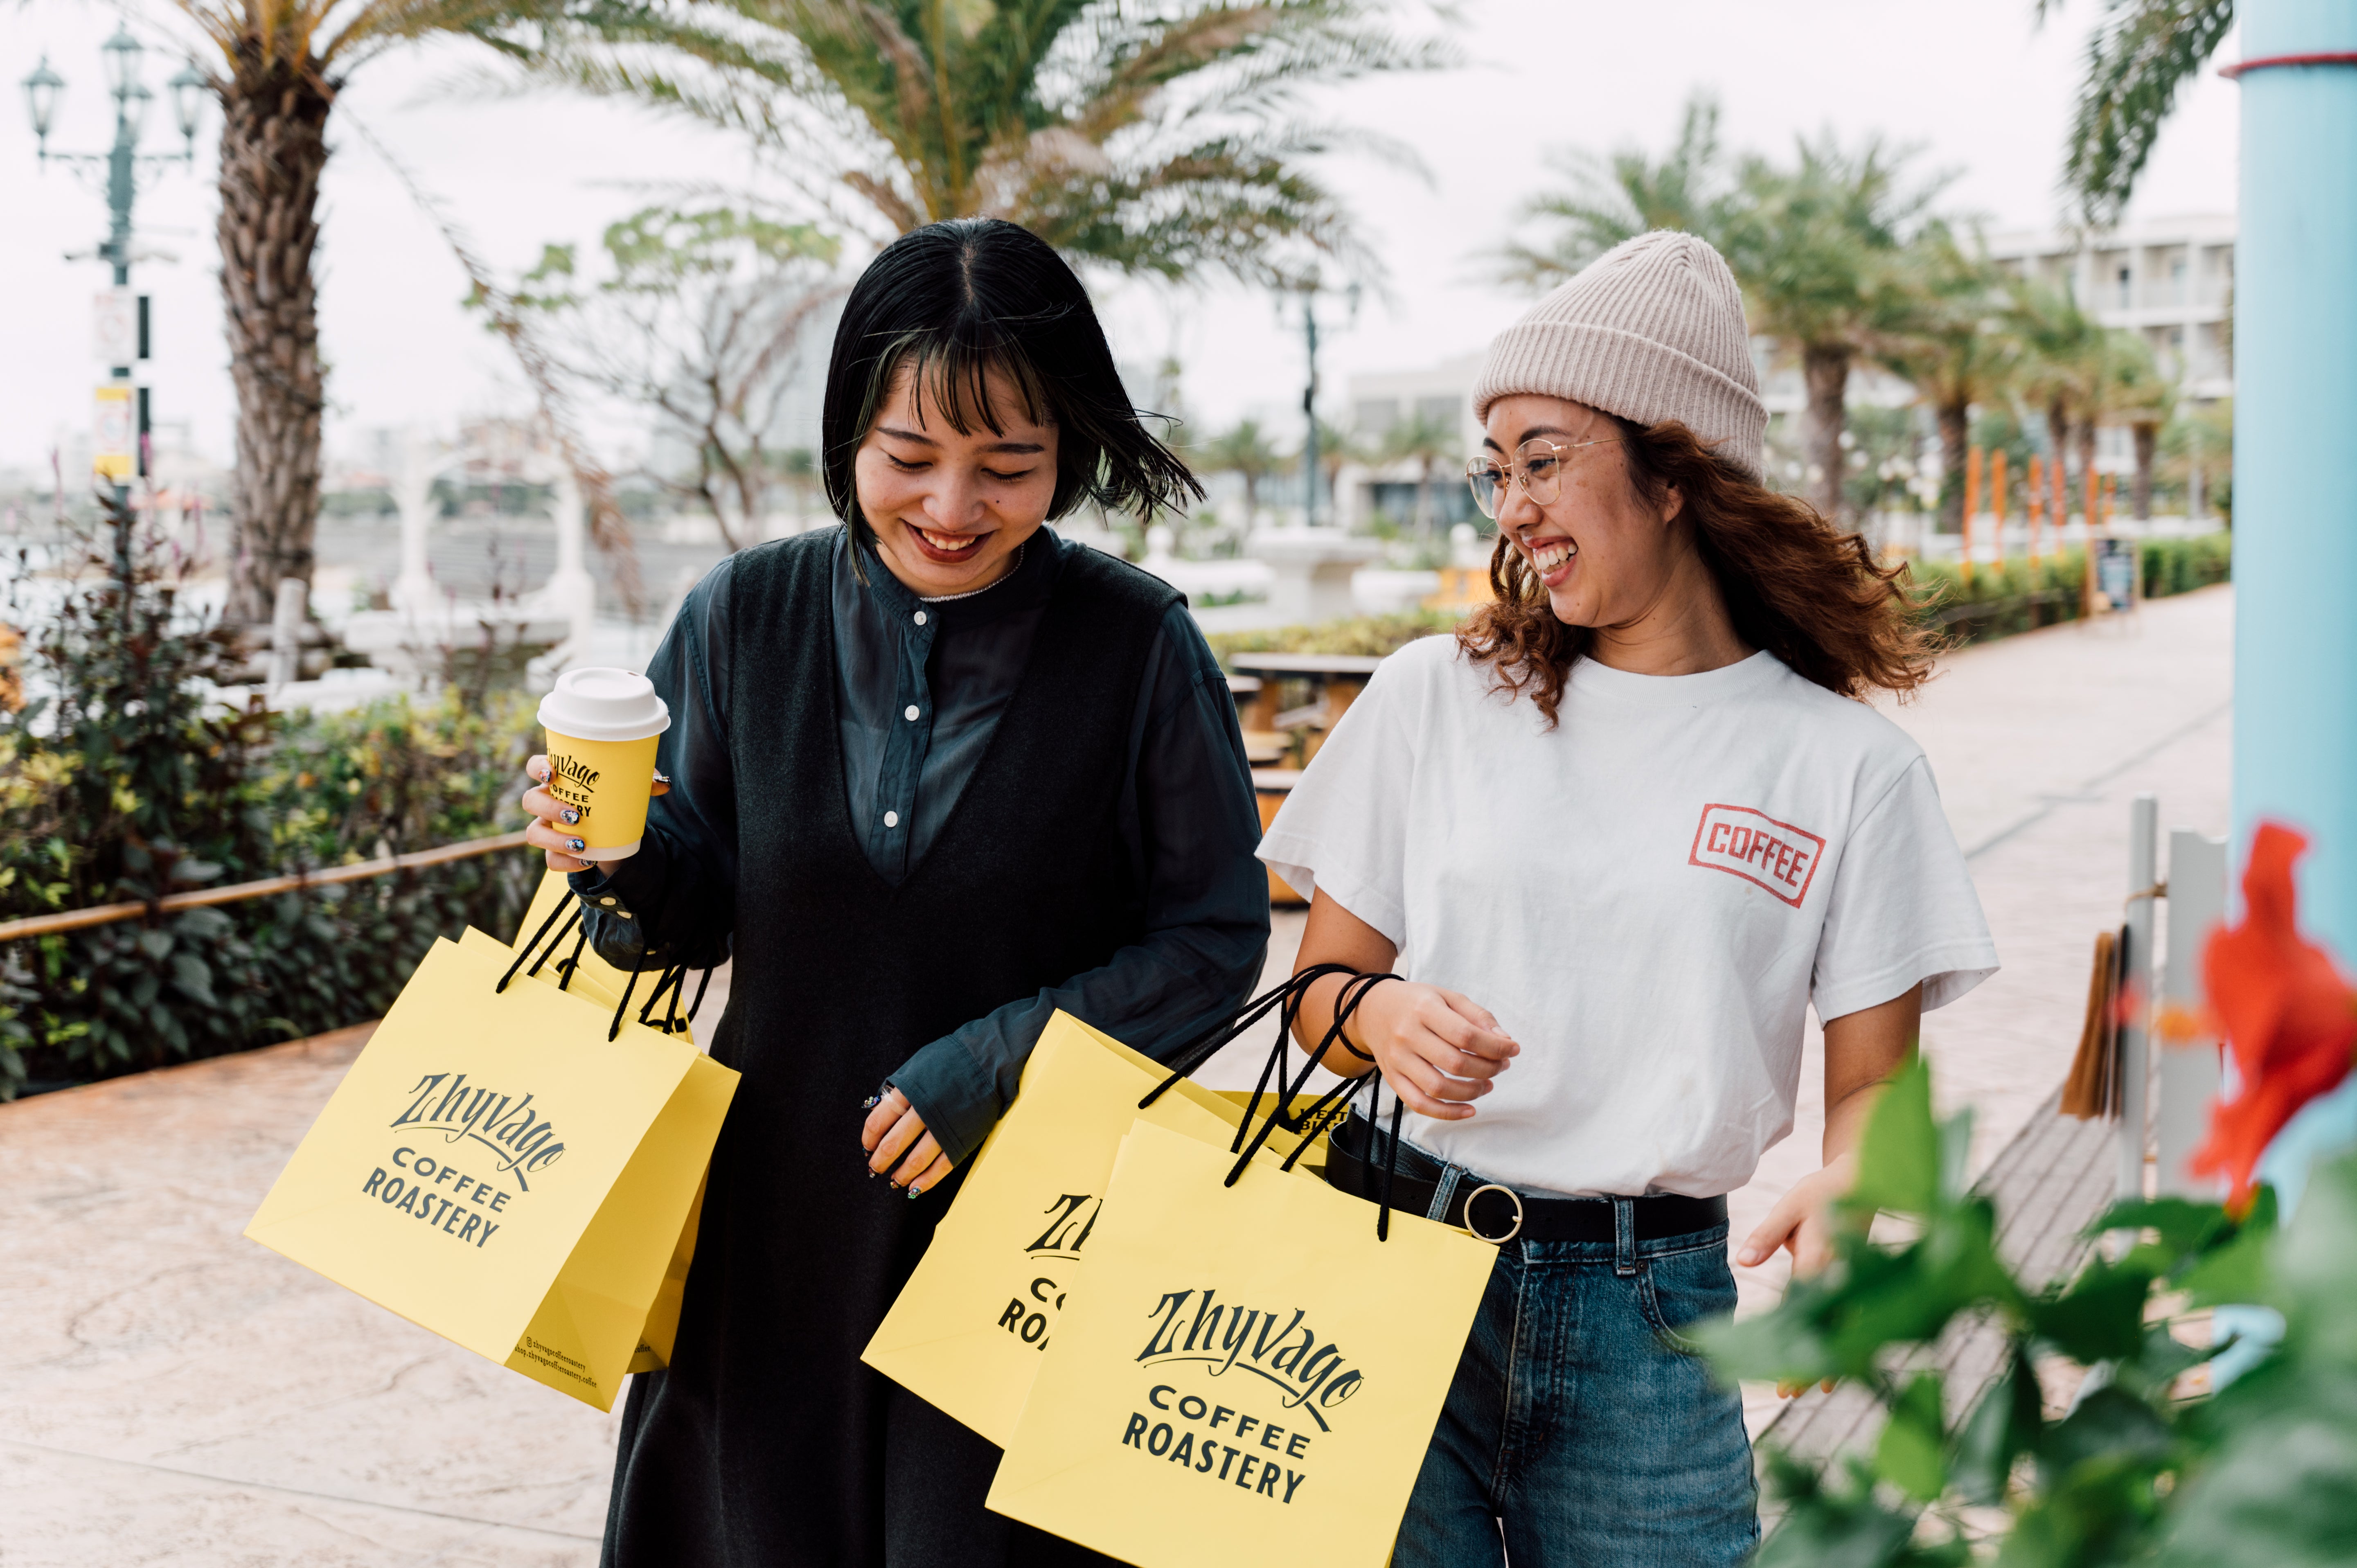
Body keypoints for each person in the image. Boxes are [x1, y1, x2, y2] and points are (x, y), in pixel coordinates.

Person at [518, 218, 1271, 1568]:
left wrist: (995, 1064)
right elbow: (683, 916)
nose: (952, 507)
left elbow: (1212, 944)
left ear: (1070, 452)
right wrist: (612, 857)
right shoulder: (742, 616)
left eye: (1009, 467)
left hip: (1023, 1257)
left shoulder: (1142, 647)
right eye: (908, 458)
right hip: (768, 1236)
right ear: (847, 436)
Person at [1258, 230, 1999, 1566]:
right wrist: (1381, 1019)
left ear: (1673, 473)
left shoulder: (1846, 768)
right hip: (1386, 1265)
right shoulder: (1438, 696)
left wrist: (1849, 1187)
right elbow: (1318, 993)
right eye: (1497, 470)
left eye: (1544, 460)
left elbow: (1875, 1091)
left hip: (1650, 1328)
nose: (1511, 508)